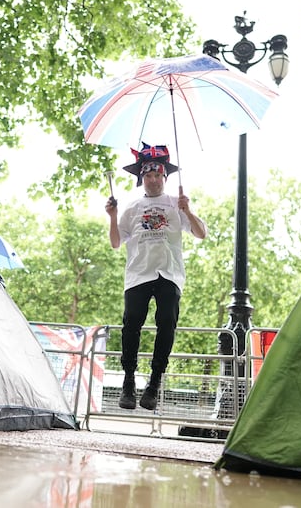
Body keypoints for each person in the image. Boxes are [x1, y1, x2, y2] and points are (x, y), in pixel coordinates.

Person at [105, 143, 207, 410]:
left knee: (166, 323)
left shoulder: (176, 204)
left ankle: (154, 382)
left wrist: (188, 211)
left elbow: (200, 233)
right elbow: (116, 242)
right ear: (142, 178)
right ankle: (128, 381)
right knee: (132, 325)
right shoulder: (133, 207)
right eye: (148, 175)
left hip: (169, 273)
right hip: (138, 274)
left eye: (157, 175)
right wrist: (113, 217)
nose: (153, 180)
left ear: (165, 177)